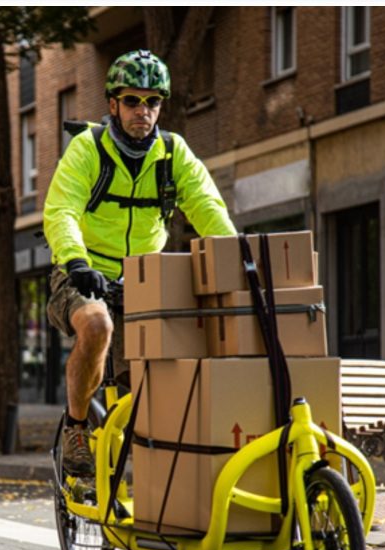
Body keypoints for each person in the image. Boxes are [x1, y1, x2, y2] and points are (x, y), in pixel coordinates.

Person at [42, 49, 237, 478]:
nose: (143, 111)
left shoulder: (173, 153)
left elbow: (207, 207)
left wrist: (236, 256)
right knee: (97, 326)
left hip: (143, 278)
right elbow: (61, 211)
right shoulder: (87, 150)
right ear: (112, 104)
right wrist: (76, 261)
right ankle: (76, 428)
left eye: (152, 102)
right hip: (81, 271)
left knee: (151, 386)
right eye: (132, 101)